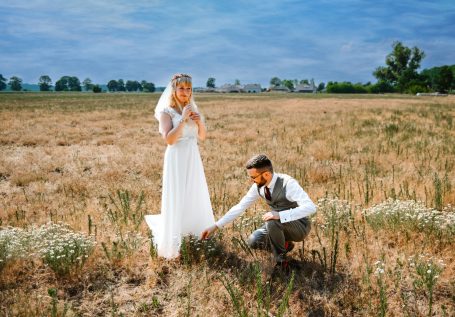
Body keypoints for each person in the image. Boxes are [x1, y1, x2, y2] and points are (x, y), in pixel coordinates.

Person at [202, 154, 316, 268]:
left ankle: (281, 261)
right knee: (253, 241)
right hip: (277, 224)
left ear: (266, 174)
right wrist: (216, 226)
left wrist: (280, 215)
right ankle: (285, 244)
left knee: (272, 221)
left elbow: (310, 207)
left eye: (253, 177)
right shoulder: (259, 186)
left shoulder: (288, 184)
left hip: (300, 226)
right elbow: (240, 206)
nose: (252, 181)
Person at [145, 73, 215, 259]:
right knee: (178, 193)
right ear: (174, 90)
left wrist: (199, 122)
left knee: (194, 191)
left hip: (193, 156)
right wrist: (183, 119)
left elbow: (202, 137)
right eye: (182, 88)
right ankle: (175, 237)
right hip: (176, 157)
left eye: (189, 88)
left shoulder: (192, 108)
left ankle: (195, 233)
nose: (185, 92)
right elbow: (169, 140)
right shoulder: (166, 112)